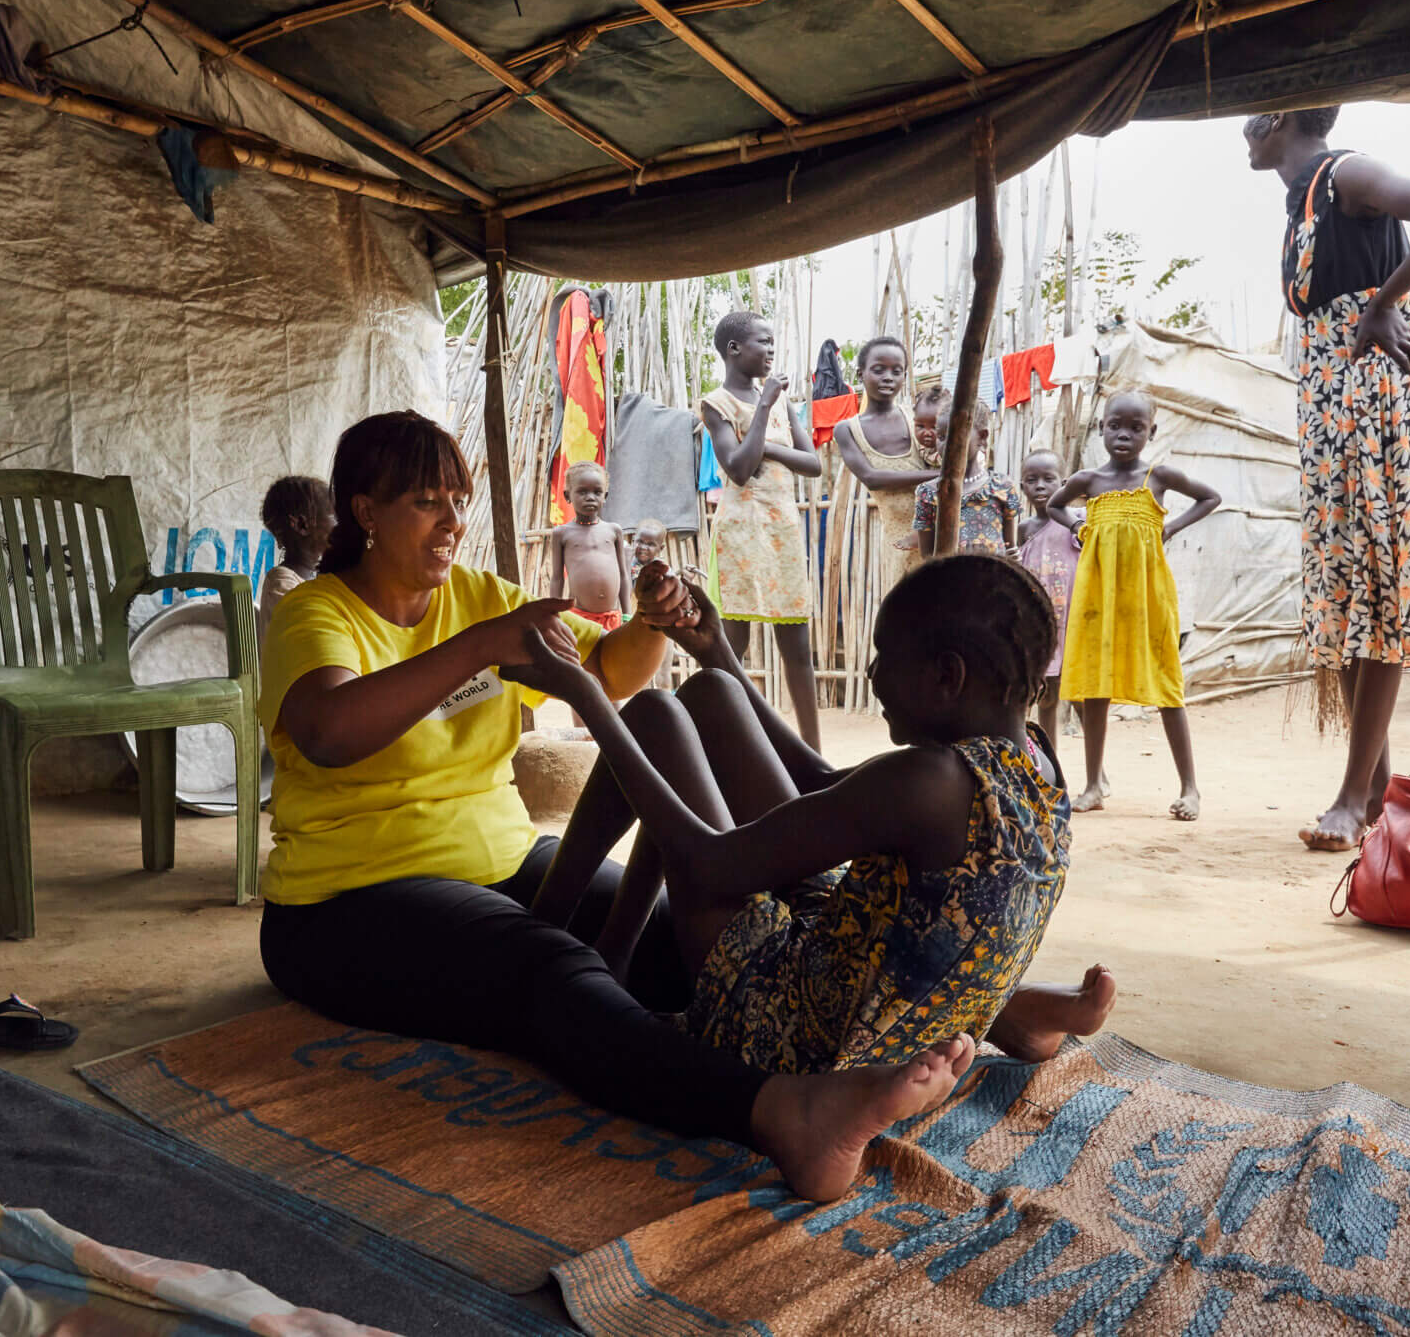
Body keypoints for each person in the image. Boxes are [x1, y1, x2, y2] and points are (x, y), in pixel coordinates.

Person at [261, 410, 1112, 1203]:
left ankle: (988, 1004)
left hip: (498, 863)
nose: (451, 521)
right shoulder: (316, 613)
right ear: (365, 511)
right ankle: (780, 1110)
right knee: (548, 974)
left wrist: (654, 623)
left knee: (672, 937)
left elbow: (611, 675)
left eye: (457, 500)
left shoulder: (479, 595)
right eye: (425, 503)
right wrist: (480, 649)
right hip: (348, 898)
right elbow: (330, 731)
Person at [509, 553, 1095, 1077]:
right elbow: (820, 786)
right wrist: (718, 652)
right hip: (873, 1002)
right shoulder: (1032, 763)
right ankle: (606, 951)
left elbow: (710, 867)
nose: (871, 675)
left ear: (947, 676)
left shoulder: (932, 780)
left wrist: (589, 697)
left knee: (657, 718)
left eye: (884, 658)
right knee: (711, 691)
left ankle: (549, 939)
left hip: (802, 1043)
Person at [1245, 106, 1410, 851]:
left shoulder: (1345, 172)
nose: (1240, 131)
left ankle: (1355, 797)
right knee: (1346, 588)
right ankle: (1374, 784)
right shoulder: (1306, 200)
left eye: (1251, 113)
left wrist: (1383, 304)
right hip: (1333, 399)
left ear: (1279, 115)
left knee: (1376, 584)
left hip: (1375, 397)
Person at [1048, 391, 1221, 821]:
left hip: (1148, 598)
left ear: (1151, 432)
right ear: (1101, 427)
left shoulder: (1157, 477)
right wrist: (1077, 524)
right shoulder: (1088, 481)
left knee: (1167, 685)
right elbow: (1053, 504)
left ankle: (1190, 788)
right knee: (1095, 686)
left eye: (1136, 428)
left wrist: (1168, 528)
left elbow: (1210, 497)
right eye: (1115, 425)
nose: (1124, 434)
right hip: (1098, 598)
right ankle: (1093, 785)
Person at [699, 310, 823, 750]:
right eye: (763, 343)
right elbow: (737, 469)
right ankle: (728, 747)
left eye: (773, 344)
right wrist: (765, 405)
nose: (771, 351)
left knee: (797, 648)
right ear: (734, 349)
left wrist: (769, 440)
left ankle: (814, 753)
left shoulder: (784, 405)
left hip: (782, 532)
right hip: (739, 533)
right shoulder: (716, 404)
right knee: (732, 649)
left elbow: (813, 464)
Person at [836, 337, 938, 584]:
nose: (888, 377)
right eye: (879, 369)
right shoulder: (847, 430)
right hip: (898, 541)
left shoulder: (916, 417)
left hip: (937, 534)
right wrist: (939, 476)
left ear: (905, 376)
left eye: (897, 371)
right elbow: (872, 479)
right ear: (860, 374)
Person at [1017, 449, 1082, 727]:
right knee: (1046, 697)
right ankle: (1050, 767)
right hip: (1041, 626)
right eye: (1032, 480)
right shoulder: (1023, 529)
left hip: (1075, 622)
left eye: (1048, 479)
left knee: (1080, 698)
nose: (1040, 486)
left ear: (1064, 484)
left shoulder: (1077, 521)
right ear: (1022, 487)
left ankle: (1096, 770)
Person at [911, 400, 1021, 557]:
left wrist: (1013, 559)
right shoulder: (928, 492)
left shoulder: (1001, 486)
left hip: (994, 578)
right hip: (950, 580)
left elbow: (1009, 547)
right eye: (941, 437)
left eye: (958, 436)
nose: (947, 445)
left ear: (982, 438)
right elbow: (927, 556)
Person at [546, 461, 631, 633]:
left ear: (605, 496)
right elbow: (557, 578)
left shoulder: (614, 531)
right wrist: (552, 612)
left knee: (613, 659)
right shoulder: (562, 533)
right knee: (582, 659)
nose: (590, 497)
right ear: (567, 495)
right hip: (579, 618)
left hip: (612, 618)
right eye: (582, 492)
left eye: (597, 492)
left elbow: (623, 575)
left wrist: (627, 614)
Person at [256, 475, 335, 656]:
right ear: (301, 524)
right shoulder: (282, 584)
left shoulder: (317, 578)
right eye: (334, 516)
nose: (339, 525)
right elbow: (318, 637)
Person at [629, 517, 668, 586]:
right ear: (633, 540)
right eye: (640, 541)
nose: (643, 547)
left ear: (660, 548)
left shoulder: (662, 570)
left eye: (651, 544)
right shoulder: (626, 563)